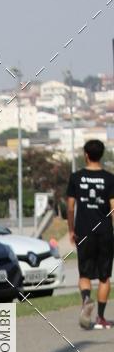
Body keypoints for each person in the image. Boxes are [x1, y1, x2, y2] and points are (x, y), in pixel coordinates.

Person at [66, 139, 114, 329]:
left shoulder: (76, 177)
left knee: (84, 273)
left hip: (83, 231)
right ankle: (101, 318)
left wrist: (71, 229)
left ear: (86, 154)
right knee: (104, 276)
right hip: (104, 232)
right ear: (101, 155)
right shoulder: (110, 178)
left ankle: (86, 299)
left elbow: (70, 207)